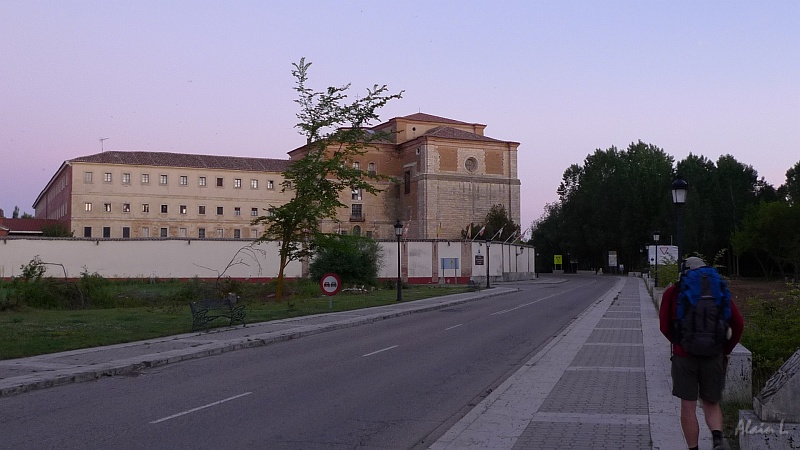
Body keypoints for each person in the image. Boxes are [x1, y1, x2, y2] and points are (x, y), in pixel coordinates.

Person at [659, 256, 744, 450]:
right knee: (711, 402)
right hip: (714, 355)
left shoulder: (674, 292)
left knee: (688, 407)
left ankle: (693, 448)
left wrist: (679, 343)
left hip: (684, 357)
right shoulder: (718, 291)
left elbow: (664, 326)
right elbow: (738, 323)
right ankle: (716, 438)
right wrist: (725, 349)